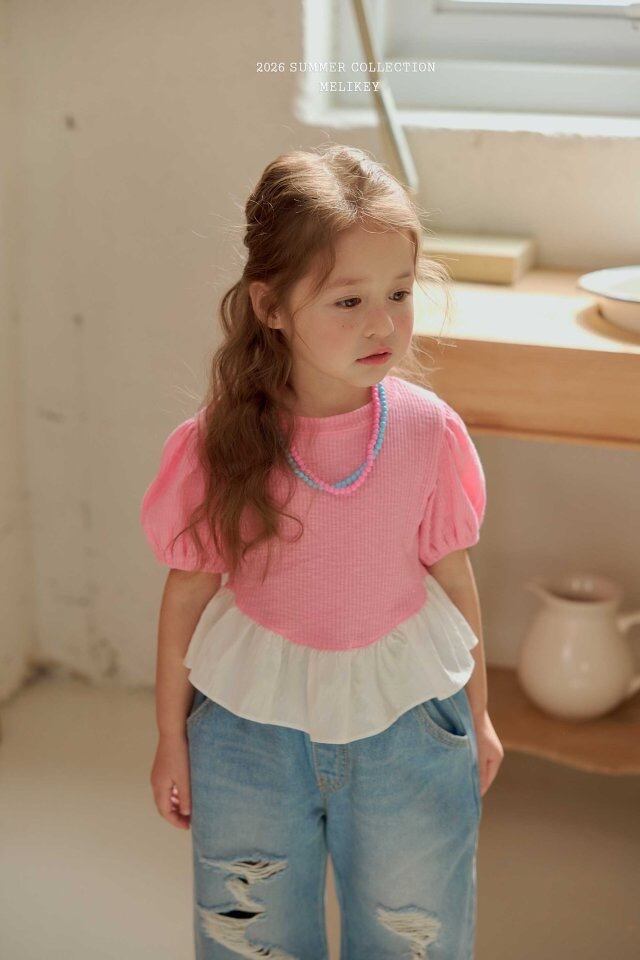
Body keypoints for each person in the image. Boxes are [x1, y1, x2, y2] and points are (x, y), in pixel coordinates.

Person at [140, 143, 504, 959]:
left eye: (400, 293)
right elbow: (186, 592)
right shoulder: (222, 442)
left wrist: (478, 718)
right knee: (250, 934)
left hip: (408, 726)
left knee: (416, 934)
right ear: (271, 305)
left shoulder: (428, 432)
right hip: (249, 732)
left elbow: (454, 578)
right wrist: (171, 737)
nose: (382, 323)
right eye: (348, 300)